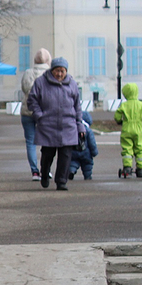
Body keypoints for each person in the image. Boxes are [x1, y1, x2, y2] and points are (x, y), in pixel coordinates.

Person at [27, 56, 82, 191]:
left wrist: (80, 126)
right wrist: (39, 115)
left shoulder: (72, 84)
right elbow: (32, 100)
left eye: (62, 71)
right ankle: (44, 174)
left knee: (65, 156)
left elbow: (77, 106)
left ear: (66, 71)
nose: (59, 74)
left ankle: (61, 181)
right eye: (57, 70)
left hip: (68, 126)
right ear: (52, 70)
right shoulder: (41, 82)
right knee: (47, 155)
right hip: (48, 126)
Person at [19, 48, 52, 181]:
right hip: (45, 112)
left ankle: (35, 172)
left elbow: (24, 89)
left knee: (30, 142)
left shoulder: (28, 73)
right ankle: (46, 169)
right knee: (47, 141)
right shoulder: (50, 73)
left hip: (27, 111)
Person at [114, 82, 142, 177]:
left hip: (127, 128)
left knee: (127, 149)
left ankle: (127, 167)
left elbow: (117, 116)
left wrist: (120, 121)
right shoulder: (141, 105)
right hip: (138, 129)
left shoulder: (124, 105)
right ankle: (141, 169)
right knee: (139, 148)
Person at [68, 110, 99, 180]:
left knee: (73, 162)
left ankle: (71, 171)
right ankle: (87, 176)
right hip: (86, 153)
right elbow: (92, 143)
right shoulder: (88, 131)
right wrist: (94, 152)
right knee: (87, 165)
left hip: (74, 151)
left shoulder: (73, 129)